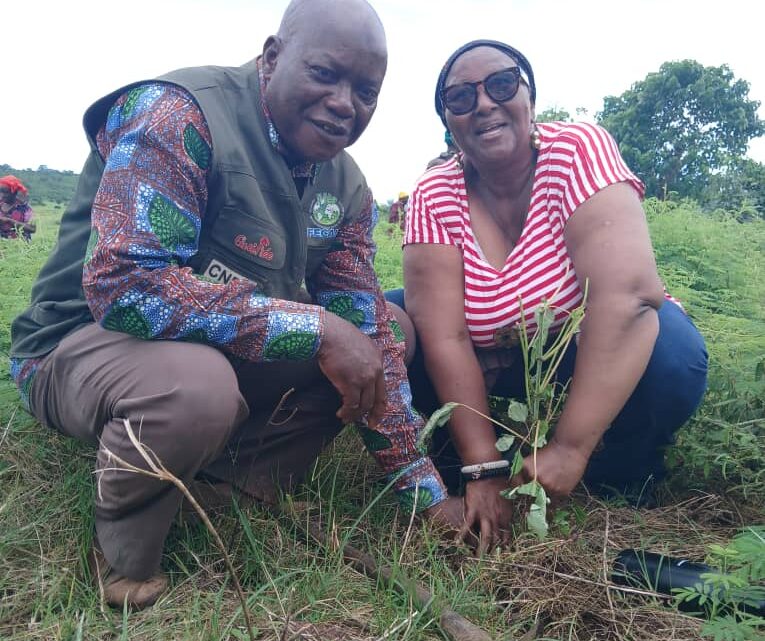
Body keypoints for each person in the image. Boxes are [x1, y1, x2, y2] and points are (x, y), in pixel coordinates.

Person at [9, 0, 462, 610]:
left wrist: (424, 493)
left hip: (206, 352)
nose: (343, 104)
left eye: (366, 92)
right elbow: (123, 287)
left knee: (387, 336)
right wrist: (316, 327)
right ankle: (123, 556)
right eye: (326, 74)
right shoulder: (177, 115)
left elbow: (364, 329)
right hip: (80, 343)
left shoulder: (347, 187)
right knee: (198, 387)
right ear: (272, 57)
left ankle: (239, 479)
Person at [386, 39, 708, 550]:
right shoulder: (433, 193)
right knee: (393, 313)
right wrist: (484, 465)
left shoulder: (576, 150)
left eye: (500, 85)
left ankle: (616, 466)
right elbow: (444, 336)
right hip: (494, 375)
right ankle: (468, 465)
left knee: (671, 350)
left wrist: (569, 448)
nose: (484, 103)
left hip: (584, 361)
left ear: (529, 98)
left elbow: (626, 297)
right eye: (461, 98)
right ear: (449, 123)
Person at [0, 175, 36, 240]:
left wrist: (9, 221)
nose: (2, 195)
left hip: (20, 245)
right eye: (1, 191)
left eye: (5, 192)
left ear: (14, 192)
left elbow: (32, 229)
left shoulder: (25, 208)